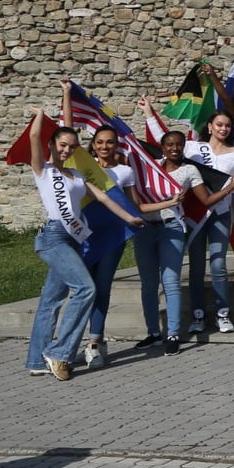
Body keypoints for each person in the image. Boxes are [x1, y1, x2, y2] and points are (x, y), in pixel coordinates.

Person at [24, 98, 142, 380]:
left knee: (51, 299)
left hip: (74, 239)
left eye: (72, 147)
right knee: (86, 288)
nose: (66, 150)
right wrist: (41, 115)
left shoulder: (76, 174)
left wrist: (129, 218)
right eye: (62, 145)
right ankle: (59, 352)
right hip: (54, 237)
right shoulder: (43, 171)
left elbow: (101, 196)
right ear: (52, 145)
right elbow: (34, 136)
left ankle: (36, 359)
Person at [132, 126, 214, 354]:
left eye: (179, 144)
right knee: (148, 284)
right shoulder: (150, 168)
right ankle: (153, 332)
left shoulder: (189, 170)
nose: (175, 148)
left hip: (172, 228)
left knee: (170, 281)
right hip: (145, 227)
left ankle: (173, 333)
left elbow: (205, 199)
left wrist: (230, 188)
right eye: (170, 145)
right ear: (163, 148)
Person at [183, 110, 234, 335]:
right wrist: (148, 114)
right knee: (196, 266)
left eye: (228, 126)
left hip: (220, 213)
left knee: (218, 265)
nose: (224, 129)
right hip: (196, 213)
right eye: (219, 125)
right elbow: (163, 142)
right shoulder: (193, 148)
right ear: (210, 126)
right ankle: (198, 314)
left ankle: (222, 313)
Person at [77, 124, 139, 369]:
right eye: (100, 142)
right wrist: (67, 94)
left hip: (113, 236)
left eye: (110, 142)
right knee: (84, 289)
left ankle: (95, 343)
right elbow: (65, 130)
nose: (104, 147)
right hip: (85, 234)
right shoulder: (83, 168)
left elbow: (134, 206)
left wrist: (166, 205)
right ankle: (76, 342)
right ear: (93, 144)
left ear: (117, 145)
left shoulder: (125, 171)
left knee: (102, 287)